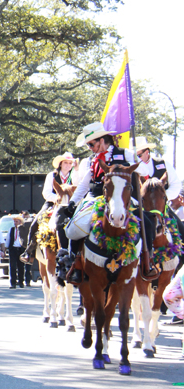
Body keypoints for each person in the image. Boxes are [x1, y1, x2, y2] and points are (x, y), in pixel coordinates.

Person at [61, 122, 142, 285]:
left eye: (91, 144)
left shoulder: (125, 154)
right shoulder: (92, 160)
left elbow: (144, 172)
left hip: (122, 197)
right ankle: (75, 263)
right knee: (73, 226)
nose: (90, 148)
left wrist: (135, 161)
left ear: (102, 139)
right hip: (96, 197)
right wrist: (73, 202)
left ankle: (148, 259)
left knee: (146, 219)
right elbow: (85, 183)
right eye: (88, 145)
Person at [21, 152, 78, 265]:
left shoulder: (75, 175)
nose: (68, 165)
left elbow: (78, 189)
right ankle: (29, 251)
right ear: (60, 164)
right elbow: (46, 193)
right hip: (53, 202)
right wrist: (57, 198)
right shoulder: (52, 175)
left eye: (70, 163)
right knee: (37, 220)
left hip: (71, 204)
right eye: (66, 162)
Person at [3, 215, 26, 288]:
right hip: (13, 249)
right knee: (12, 266)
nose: (15, 223)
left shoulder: (23, 230)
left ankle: (21, 282)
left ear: (20, 222)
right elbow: (8, 239)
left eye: (16, 221)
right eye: (14, 221)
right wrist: (5, 249)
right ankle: (13, 282)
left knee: (21, 266)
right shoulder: (11, 229)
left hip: (21, 249)